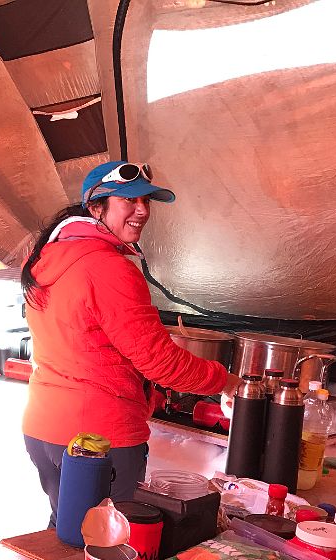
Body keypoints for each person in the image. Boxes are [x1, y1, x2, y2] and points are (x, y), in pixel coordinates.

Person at [21, 160, 239, 524]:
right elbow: (160, 362)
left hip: (44, 428)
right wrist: (227, 382)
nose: (142, 210)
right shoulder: (108, 267)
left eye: (147, 201)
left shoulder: (47, 257)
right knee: (108, 547)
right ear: (95, 207)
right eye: (129, 200)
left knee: (69, 535)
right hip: (100, 436)